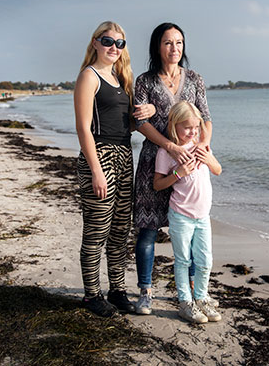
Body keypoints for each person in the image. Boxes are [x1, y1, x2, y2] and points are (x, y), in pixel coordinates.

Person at [133, 22, 215, 315]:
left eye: (179, 42)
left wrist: (201, 147)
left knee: (191, 230)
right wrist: (170, 146)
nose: (174, 48)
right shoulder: (145, 81)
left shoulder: (194, 79)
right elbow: (140, 122)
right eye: (168, 42)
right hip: (155, 161)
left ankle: (193, 293)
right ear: (157, 46)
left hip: (189, 167)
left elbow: (206, 119)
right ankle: (145, 291)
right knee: (148, 230)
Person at [73, 21, 154, 317]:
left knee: (120, 230)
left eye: (120, 43)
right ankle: (91, 296)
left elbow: (127, 125)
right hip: (99, 155)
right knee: (97, 230)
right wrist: (96, 170)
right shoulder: (89, 76)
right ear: (95, 42)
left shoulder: (121, 79)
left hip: (123, 155)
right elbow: (83, 128)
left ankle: (117, 291)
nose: (114, 47)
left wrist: (149, 111)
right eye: (107, 41)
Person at [154, 101, 222, 323]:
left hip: (203, 216)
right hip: (181, 215)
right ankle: (185, 302)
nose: (193, 132)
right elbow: (157, 184)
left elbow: (218, 170)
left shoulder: (202, 147)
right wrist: (178, 173)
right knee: (183, 260)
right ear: (174, 126)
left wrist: (209, 159)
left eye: (196, 127)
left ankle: (201, 298)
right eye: (187, 128)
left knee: (205, 260)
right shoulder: (167, 153)